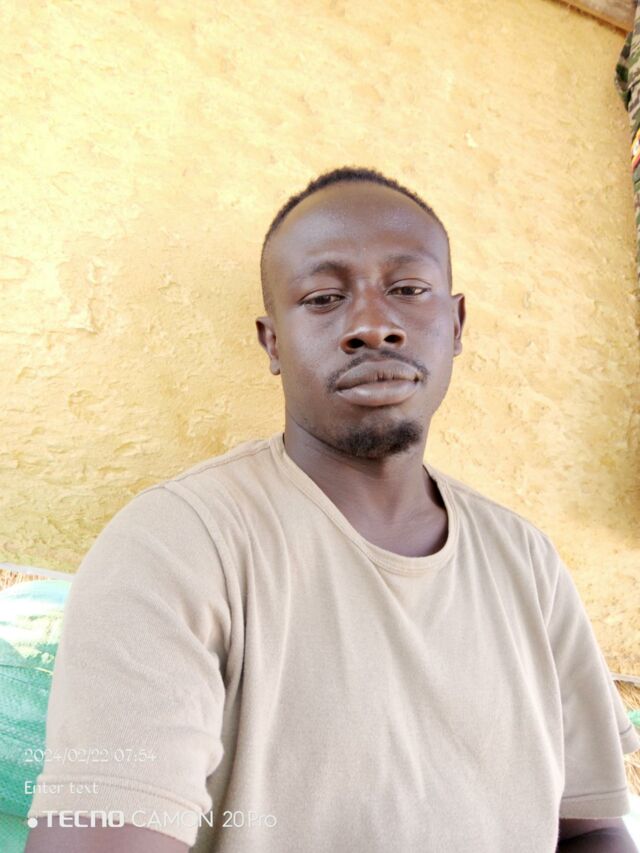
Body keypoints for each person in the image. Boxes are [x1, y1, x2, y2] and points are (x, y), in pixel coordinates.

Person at [25, 167, 640, 853]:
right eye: (323, 298)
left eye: (408, 289)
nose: (373, 326)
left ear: (456, 323)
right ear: (273, 343)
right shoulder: (176, 547)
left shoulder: (526, 561)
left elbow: (591, 829)